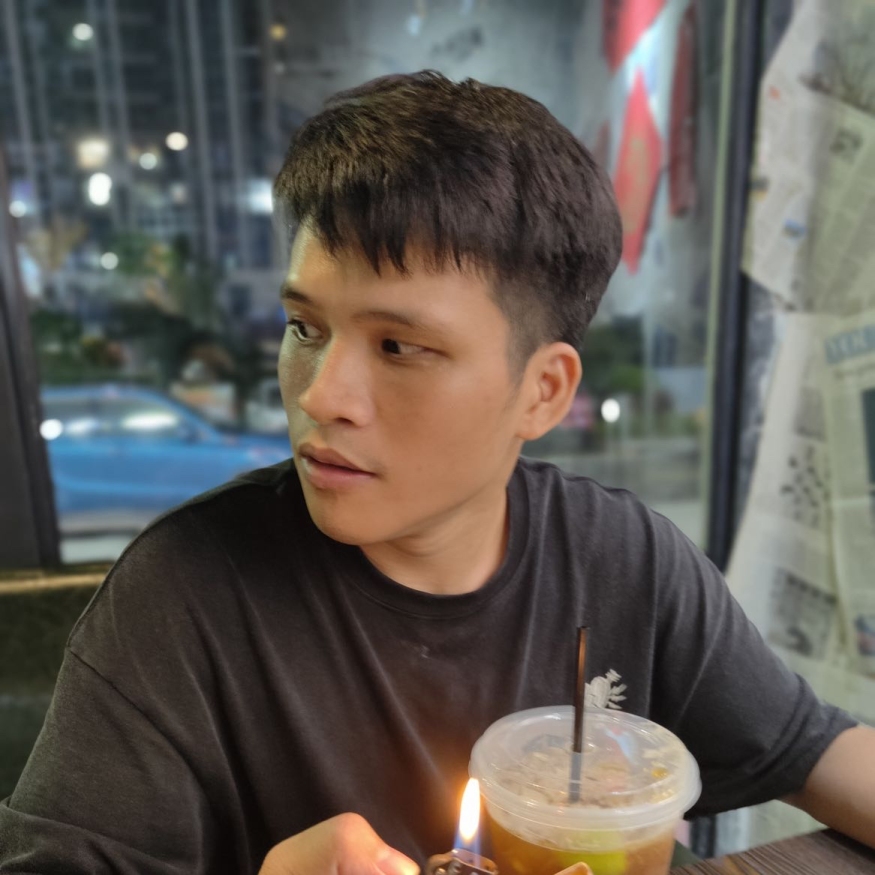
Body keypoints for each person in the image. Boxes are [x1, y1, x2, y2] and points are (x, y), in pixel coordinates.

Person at [1, 71, 873, 875]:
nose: (321, 395)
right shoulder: (184, 591)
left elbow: (815, 750)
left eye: (398, 346)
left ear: (542, 391)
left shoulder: (621, 559)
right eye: (305, 328)